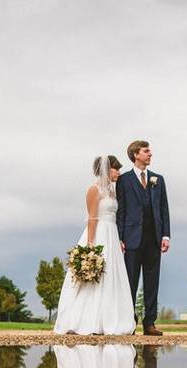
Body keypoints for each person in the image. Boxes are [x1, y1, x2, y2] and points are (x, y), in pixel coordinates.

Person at [53, 155, 136, 335]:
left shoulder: (112, 191)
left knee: (111, 277)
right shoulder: (94, 190)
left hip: (112, 235)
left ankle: (108, 319)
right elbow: (92, 218)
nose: (119, 173)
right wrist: (90, 246)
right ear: (107, 170)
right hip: (99, 234)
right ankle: (83, 320)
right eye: (116, 169)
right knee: (94, 279)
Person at [116, 140, 171, 336]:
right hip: (131, 239)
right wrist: (119, 237)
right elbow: (121, 211)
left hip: (154, 239)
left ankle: (150, 323)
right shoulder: (124, 180)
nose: (150, 154)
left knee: (152, 282)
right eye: (146, 151)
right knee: (130, 282)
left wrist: (166, 235)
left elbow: (164, 209)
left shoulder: (159, 179)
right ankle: (129, 322)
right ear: (135, 155)